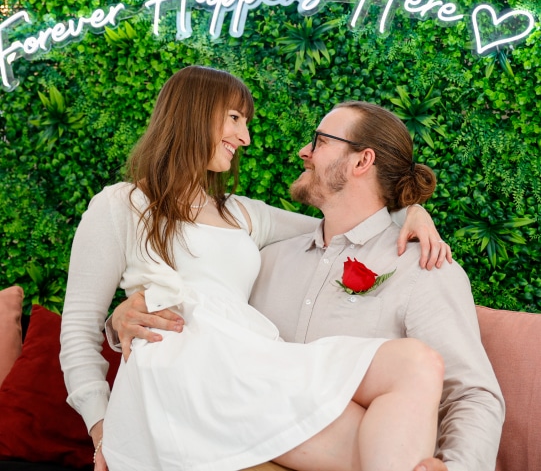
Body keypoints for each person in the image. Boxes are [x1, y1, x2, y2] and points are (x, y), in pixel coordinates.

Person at [60, 66, 449, 471]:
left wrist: (409, 210)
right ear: (193, 112)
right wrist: (103, 429)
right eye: (234, 118)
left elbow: (346, 222)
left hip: (246, 366)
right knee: (387, 442)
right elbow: (77, 331)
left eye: (245, 123)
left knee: (416, 366)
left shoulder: (242, 214)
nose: (244, 137)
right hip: (181, 378)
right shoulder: (120, 205)